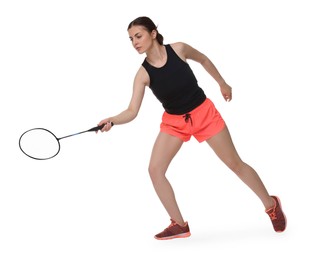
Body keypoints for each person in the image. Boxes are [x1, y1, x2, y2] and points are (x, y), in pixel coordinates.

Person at [98, 16, 286, 240]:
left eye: (138, 36)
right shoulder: (143, 75)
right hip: (175, 122)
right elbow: (131, 111)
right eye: (130, 39)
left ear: (153, 34)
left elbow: (204, 60)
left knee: (234, 163)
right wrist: (111, 120)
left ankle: (271, 204)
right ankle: (179, 224)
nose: (134, 42)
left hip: (203, 113)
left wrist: (222, 83)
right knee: (155, 170)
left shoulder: (179, 49)